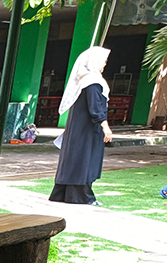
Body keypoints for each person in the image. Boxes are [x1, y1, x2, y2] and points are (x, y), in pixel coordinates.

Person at [49, 46, 114, 205]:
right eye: (103, 61)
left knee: (75, 158)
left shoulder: (84, 80)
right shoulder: (92, 82)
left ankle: (64, 194)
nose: (104, 64)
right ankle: (83, 196)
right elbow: (95, 107)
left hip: (79, 128)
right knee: (84, 159)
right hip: (87, 129)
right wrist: (105, 126)